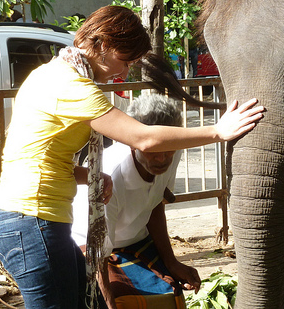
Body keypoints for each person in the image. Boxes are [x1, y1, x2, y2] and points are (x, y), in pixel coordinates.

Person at [0, 5, 264, 309]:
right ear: (101, 43)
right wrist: (217, 131)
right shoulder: (68, 84)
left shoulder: (55, 75)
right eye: (125, 61)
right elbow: (144, 138)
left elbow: (40, 157)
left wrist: (89, 176)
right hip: (32, 221)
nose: (123, 73)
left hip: (36, 220)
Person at [72, 94, 198, 308]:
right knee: (123, 301)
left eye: (168, 147)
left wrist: (172, 262)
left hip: (136, 241)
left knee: (172, 295)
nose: (162, 158)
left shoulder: (172, 151)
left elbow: (155, 202)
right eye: (152, 150)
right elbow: (97, 254)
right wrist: (108, 304)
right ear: (131, 143)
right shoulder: (110, 178)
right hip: (89, 249)